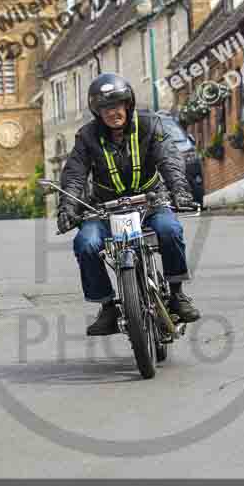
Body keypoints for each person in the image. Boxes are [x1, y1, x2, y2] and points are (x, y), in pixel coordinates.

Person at [57, 72, 201, 336]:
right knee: (85, 244)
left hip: (150, 202)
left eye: (118, 105)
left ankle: (177, 294)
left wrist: (180, 191)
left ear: (128, 104)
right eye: (106, 108)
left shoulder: (150, 125)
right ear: (97, 112)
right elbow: (75, 174)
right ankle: (107, 306)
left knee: (170, 230)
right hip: (104, 209)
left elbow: (169, 160)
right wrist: (67, 207)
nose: (113, 112)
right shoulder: (86, 137)